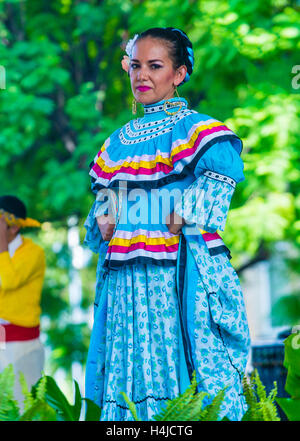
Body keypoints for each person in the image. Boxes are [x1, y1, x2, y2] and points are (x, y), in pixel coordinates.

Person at [84, 27, 251, 421]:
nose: (142, 75)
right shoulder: (117, 142)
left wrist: (184, 212)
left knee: (183, 362)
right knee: (129, 361)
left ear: (178, 74)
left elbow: (220, 180)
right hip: (126, 276)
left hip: (178, 268)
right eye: (136, 66)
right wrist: (104, 216)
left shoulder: (198, 129)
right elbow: (105, 201)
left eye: (155, 66)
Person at [0, 195, 45, 405]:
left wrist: (1, 246)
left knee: (22, 409)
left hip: (22, 345)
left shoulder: (33, 253)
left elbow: (7, 281)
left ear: (13, 227)